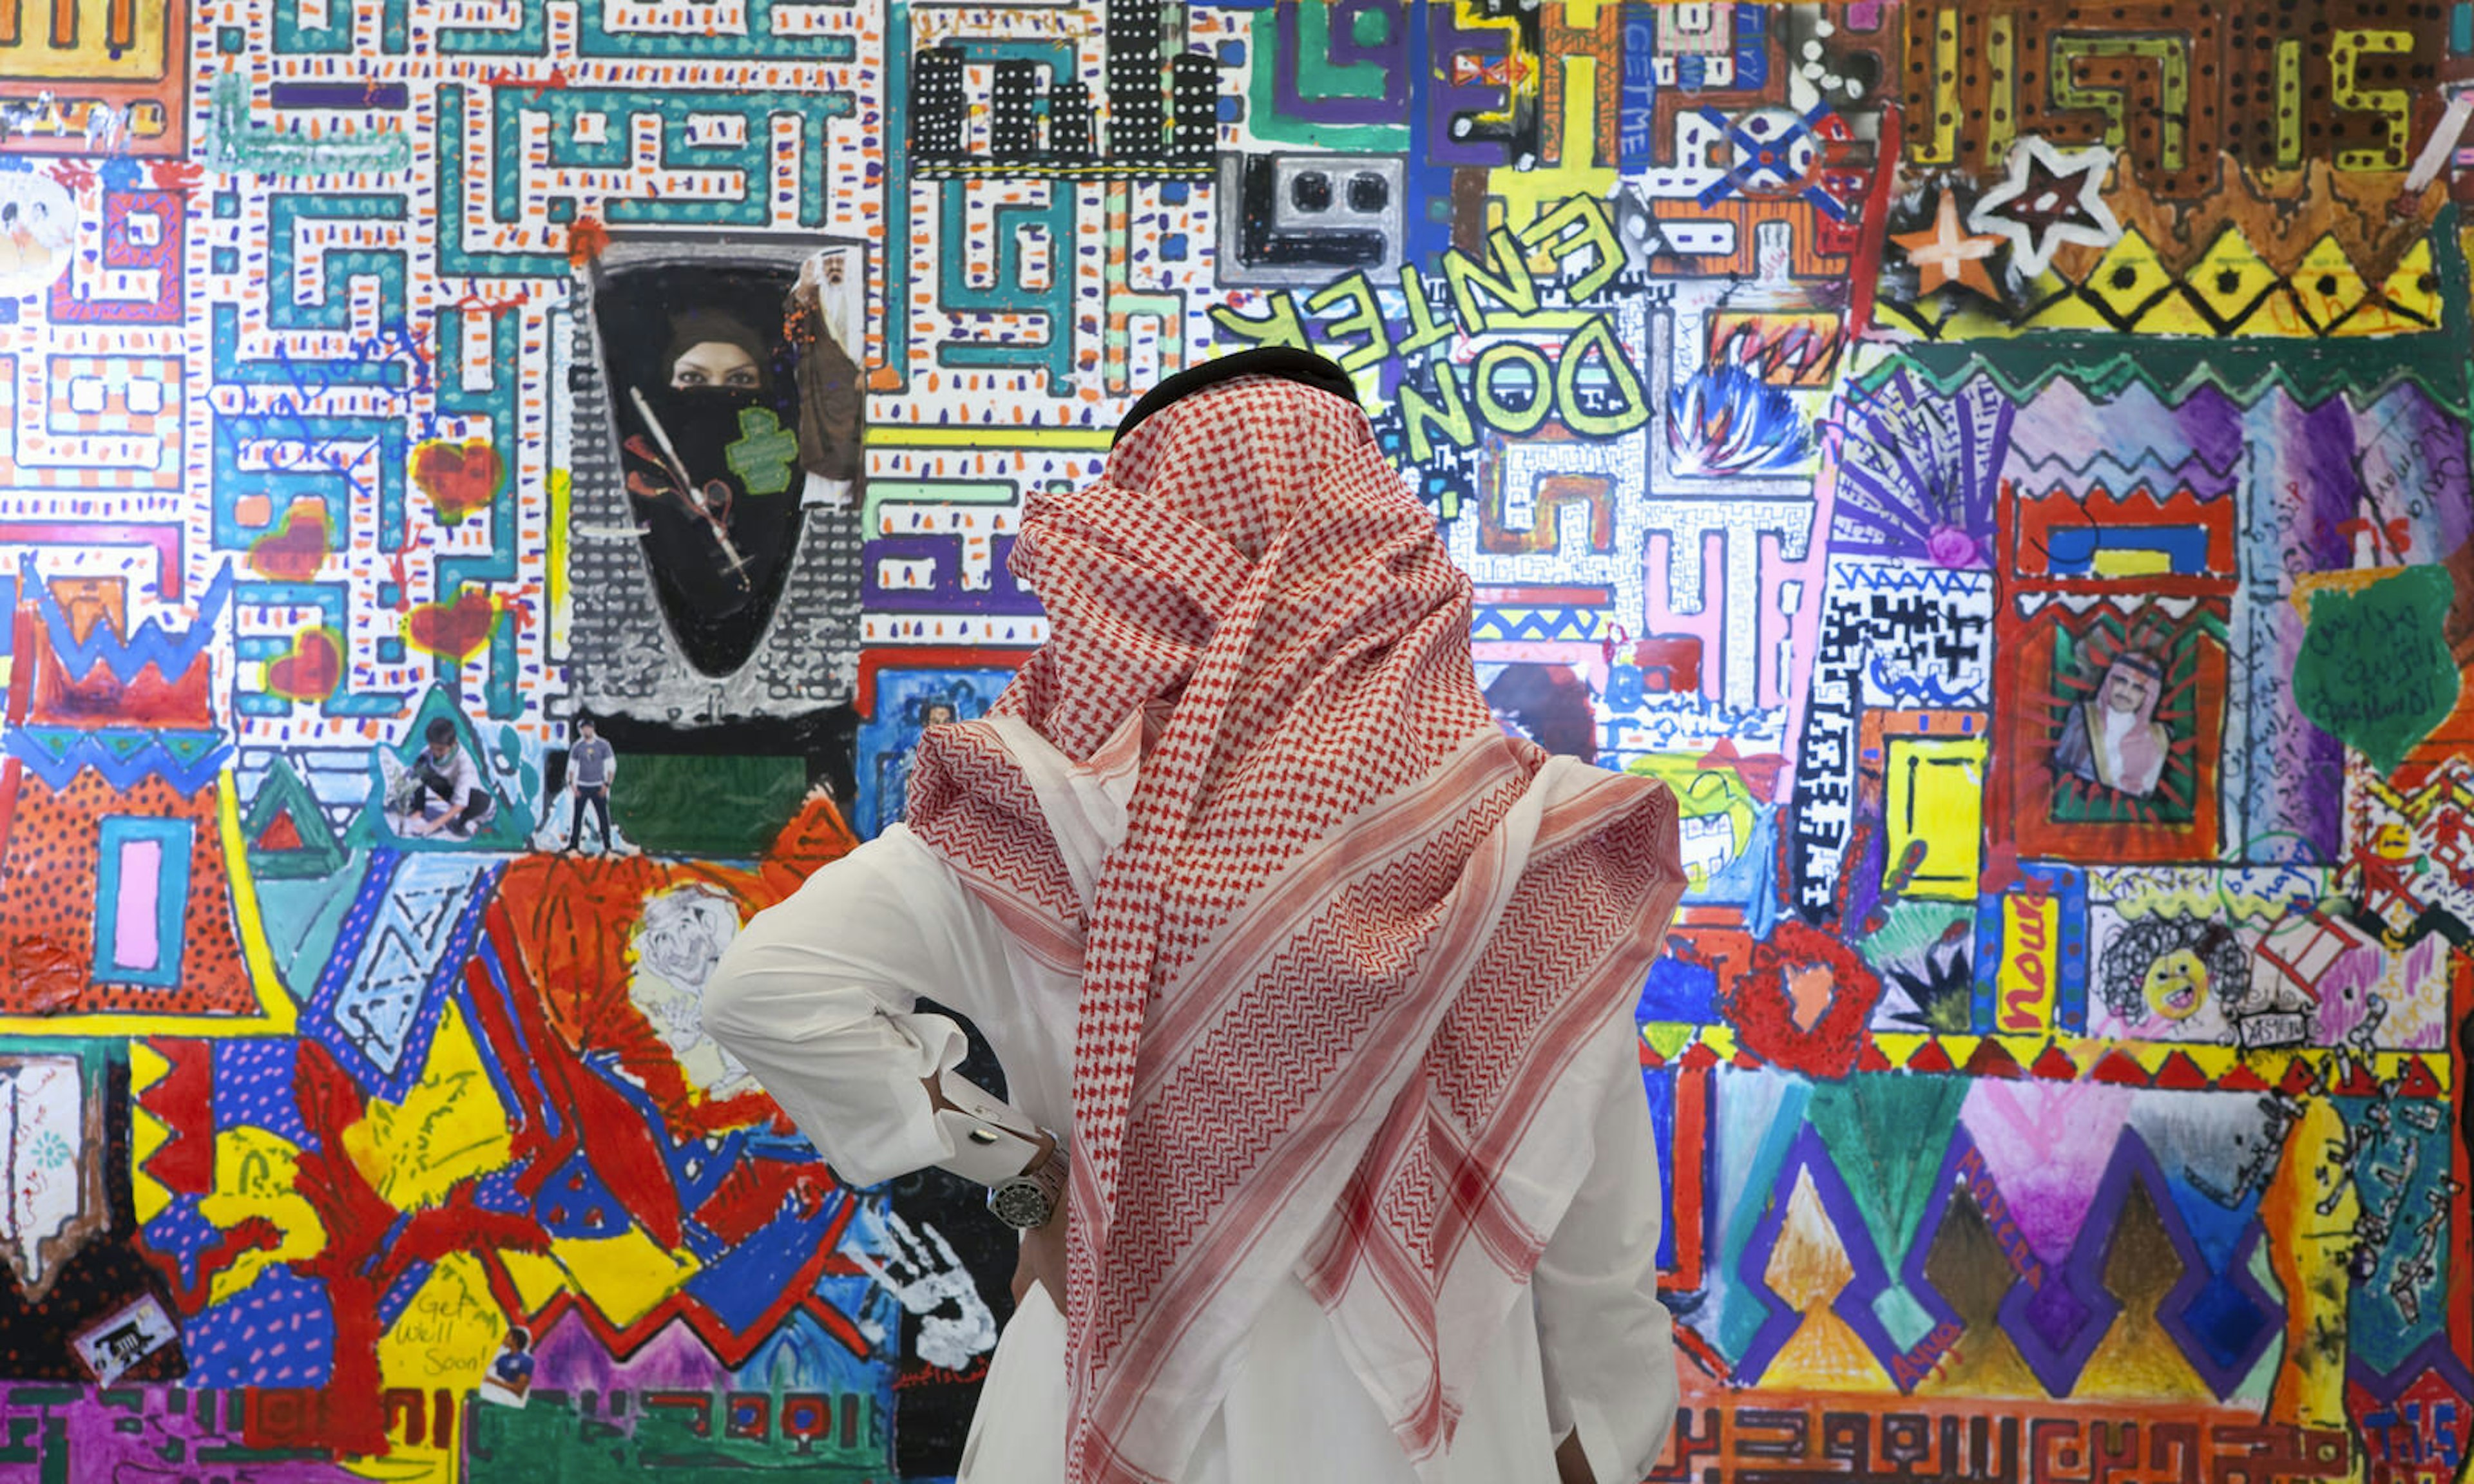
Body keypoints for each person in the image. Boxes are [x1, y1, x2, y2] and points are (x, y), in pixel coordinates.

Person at [702, 349, 1687, 1484]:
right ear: (1375, 538)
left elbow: (763, 984)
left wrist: (1037, 1182)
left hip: (1103, 1389)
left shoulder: (1033, 814)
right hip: (1439, 1419)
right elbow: (1595, 1219)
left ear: (1137, 549)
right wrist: (1601, 1430)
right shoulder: (1527, 837)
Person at [2051, 651, 2171, 797]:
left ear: (2147, 697)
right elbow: (2059, 772)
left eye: (2138, 688)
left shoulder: (2157, 738)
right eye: (2122, 681)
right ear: (2110, 681)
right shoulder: (2082, 716)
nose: (2126, 692)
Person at [396, 717, 494, 839]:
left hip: (478, 802)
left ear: (453, 744)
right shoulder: (429, 752)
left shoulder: (464, 763)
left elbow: (461, 803)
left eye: (441, 750)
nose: (436, 753)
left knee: (460, 827)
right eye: (433, 748)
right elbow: (414, 773)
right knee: (421, 769)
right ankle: (419, 810)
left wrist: (433, 825)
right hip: (452, 790)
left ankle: (466, 823)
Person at [567, 718, 617, 852]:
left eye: (588, 728)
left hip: (598, 786)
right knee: (577, 817)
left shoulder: (603, 745)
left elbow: (611, 765)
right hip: (582, 786)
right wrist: (573, 786)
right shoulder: (577, 746)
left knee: (603, 817)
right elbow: (571, 767)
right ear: (580, 730)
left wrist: (607, 785)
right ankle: (573, 845)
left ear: (593, 729)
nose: (586, 731)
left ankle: (607, 845)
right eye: (583, 728)